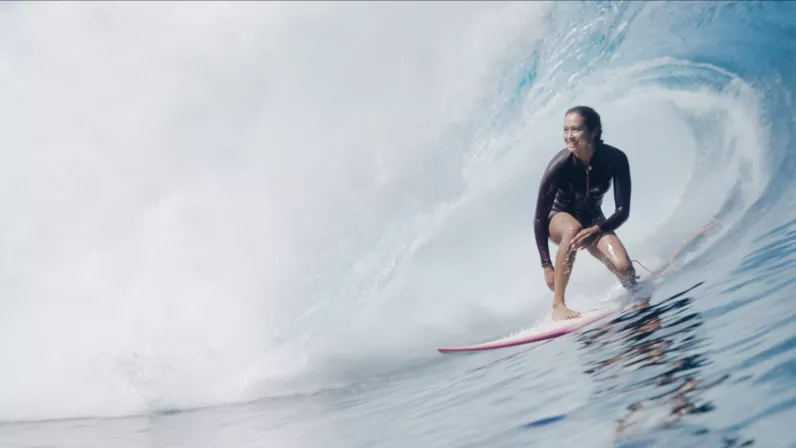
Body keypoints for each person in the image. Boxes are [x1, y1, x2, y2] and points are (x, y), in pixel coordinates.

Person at [534, 106, 638, 321]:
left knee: (624, 268)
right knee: (573, 228)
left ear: (594, 131)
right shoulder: (560, 165)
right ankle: (558, 306)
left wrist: (598, 229)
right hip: (558, 219)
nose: (569, 136)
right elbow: (538, 219)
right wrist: (546, 265)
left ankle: (636, 294)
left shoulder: (615, 159)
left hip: (592, 221)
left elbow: (622, 210)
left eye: (576, 129)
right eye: (565, 130)